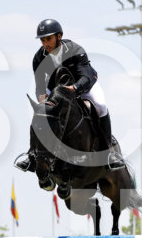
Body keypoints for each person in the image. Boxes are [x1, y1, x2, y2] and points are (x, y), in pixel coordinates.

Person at [15, 18, 126, 172]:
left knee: (100, 106)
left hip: (84, 85)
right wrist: (42, 99)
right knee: (40, 113)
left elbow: (86, 77)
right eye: (43, 40)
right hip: (57, 89)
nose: (46, 43)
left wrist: (73, 88)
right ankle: (32, 155)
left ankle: (109, 153)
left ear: (59, 36)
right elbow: (40, 85)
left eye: (49, 39)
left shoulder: (75, 50)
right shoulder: (39, 57)